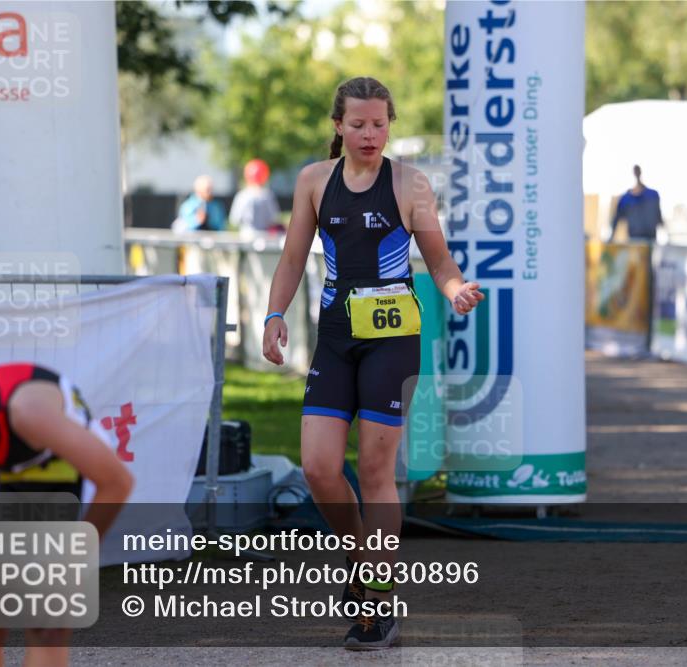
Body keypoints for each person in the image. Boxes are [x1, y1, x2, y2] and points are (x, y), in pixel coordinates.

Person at [261, 76, 483, 650]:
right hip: (335, 335)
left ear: (390, 124)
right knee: (318, 468)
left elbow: (438, 259)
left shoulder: (410, 183)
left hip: (392, 339)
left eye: (379, 124)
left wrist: (455, 289)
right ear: (338, 125)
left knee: (378, 471)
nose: (369, 134)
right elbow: (291, 256)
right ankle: (364, 565)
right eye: (357, 124)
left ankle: (378, 604)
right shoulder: (315, 180)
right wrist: (273, 314)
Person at [0, 365, 133, 667]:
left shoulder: (31, 414)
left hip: (65, 465)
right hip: (6, 465)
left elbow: (117, 483)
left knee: (47, 621)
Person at [609, 165, 663, 242]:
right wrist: (611, 237)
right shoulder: (625, 199)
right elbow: (616, 219)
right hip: (634, 240)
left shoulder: (652, 195)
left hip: (651, 240)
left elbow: (658, 215)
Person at [230, 158, 283, 236]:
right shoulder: (267, 195)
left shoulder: (242, 195)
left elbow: (234, 219)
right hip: (262, 236)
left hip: (248, 235)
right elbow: (274, 217)